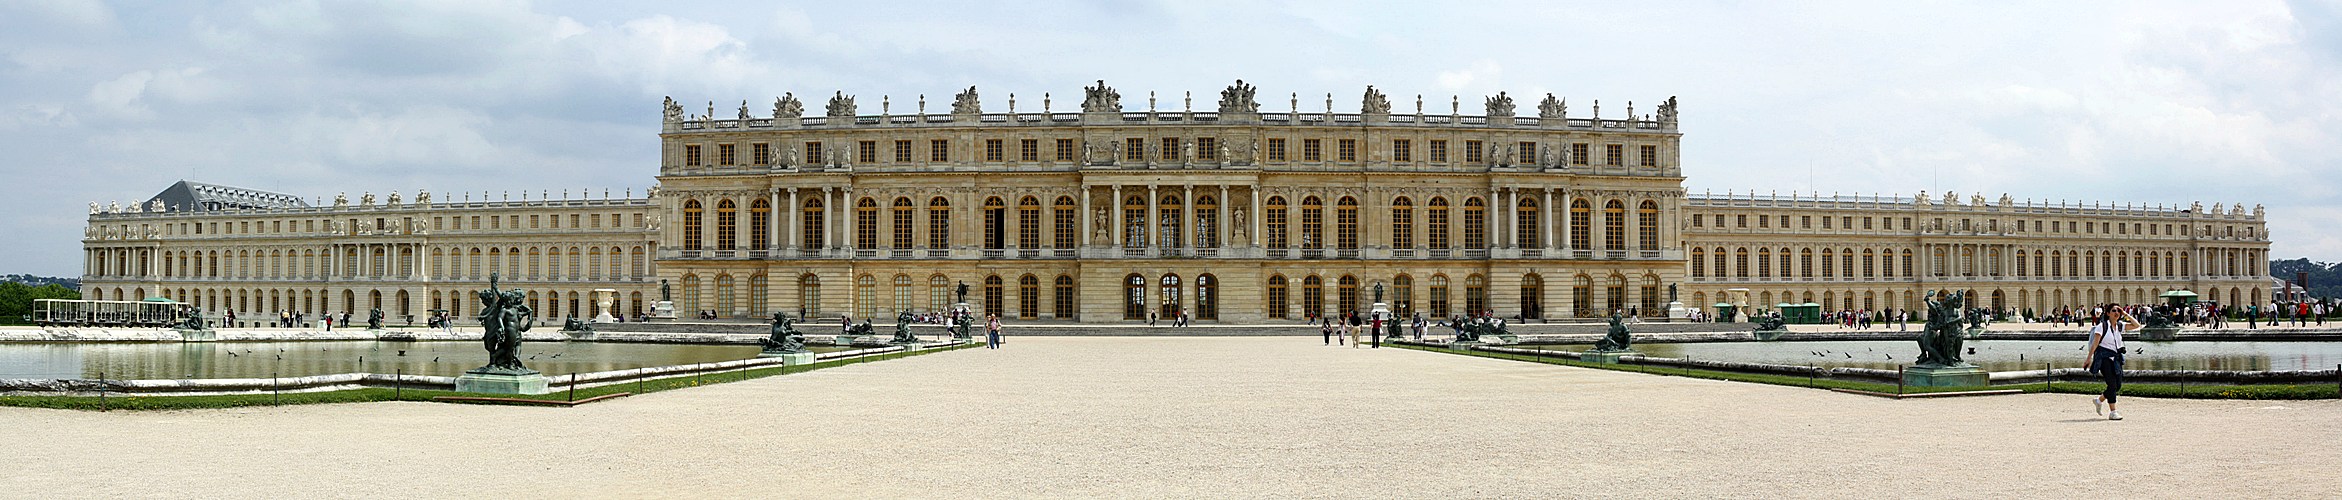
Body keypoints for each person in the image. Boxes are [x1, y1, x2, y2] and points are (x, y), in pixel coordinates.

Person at [2085, 305, 2140, 421]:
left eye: (2118, 311)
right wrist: (2089, 358)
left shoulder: (2119, 326)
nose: (2116, 313)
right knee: (2112, 384)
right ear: (2108, 313)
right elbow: (2095, 344)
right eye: (2114, 311)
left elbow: (2137, 325)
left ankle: (2099, 400)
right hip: (2104, 358)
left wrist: (2125, 314)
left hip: (2116, 358)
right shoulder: (2102, 326)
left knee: (2118, 385)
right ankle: (2113, 412)